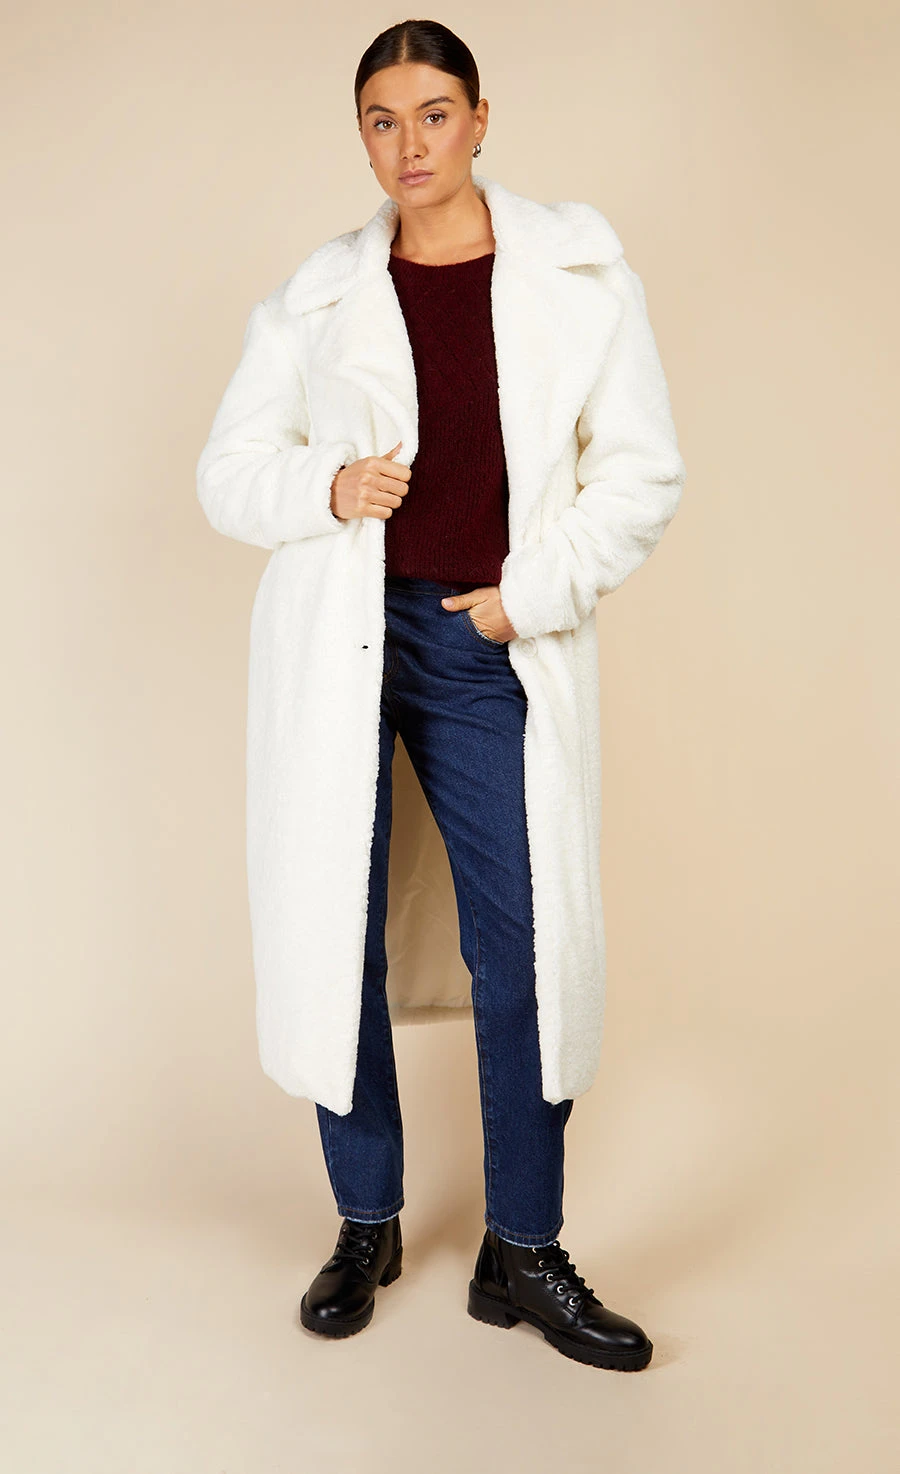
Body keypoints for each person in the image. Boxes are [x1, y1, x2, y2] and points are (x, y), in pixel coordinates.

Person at [196, 18, 685, 1371]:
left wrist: (532, 594)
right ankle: (367, 1221)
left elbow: (641, 471)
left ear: (479, 118)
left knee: (523, 946)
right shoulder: (313, 298)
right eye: (381, 120)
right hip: (342, 641)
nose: (408, 144)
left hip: (487, 640)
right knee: (334, 929)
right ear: (361, 138)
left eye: (432, 114)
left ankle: (522, 1248)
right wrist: (326, 484)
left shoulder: (579, 280)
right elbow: (229, 471)